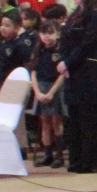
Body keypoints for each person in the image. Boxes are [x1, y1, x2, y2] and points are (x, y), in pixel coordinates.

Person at [58, 0, 97, 174]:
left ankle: (91, 160)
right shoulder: (74, 15)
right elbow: (64, 39)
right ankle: (76, 159)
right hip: (73, 71)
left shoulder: (96, 15)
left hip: (89, 71)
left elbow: (89, 43)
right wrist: (64, 61)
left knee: (88, 119)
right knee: (74, 118)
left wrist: (69, 62)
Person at [29, 19, 66, 166]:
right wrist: (37, 92)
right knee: (44, 123)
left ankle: (59, 156)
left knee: (56, 122)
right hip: (41, 88)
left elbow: (62, 74)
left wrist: (51, 92)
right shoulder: (38, 50)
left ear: (58, 34)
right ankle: (47, 155)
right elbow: (33, 72)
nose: (46, 36)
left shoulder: (61, 50)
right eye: (43, 33)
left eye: (50, 33)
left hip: (55, 88)